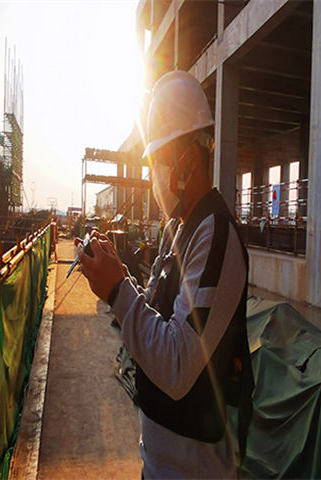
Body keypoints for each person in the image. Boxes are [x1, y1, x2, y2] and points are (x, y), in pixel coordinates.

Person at [77, 70, 253, 479]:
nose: (153, 176)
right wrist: (118, 276)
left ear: (187, 162)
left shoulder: (216, 236)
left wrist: (119, 291)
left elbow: (178, 365)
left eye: (156, 162)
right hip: (160, 465)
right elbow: (163, 316)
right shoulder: (182, 229)